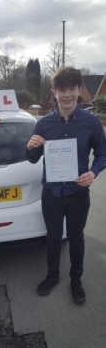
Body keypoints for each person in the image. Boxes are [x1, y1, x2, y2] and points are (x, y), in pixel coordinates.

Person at [26, 66, 106, 304]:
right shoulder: (43, 124)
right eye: (62, 89)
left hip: (78, 193)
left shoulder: (91, 123)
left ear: (80, 90)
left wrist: (93, 172)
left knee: (76, 237)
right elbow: (32, 158)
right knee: (52, 237)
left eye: (72, 88)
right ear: (54, 92)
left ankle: (76, 280)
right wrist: (30, 147)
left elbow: (103, 154)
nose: (67, 94)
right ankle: (52, 276)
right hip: (51, 193)